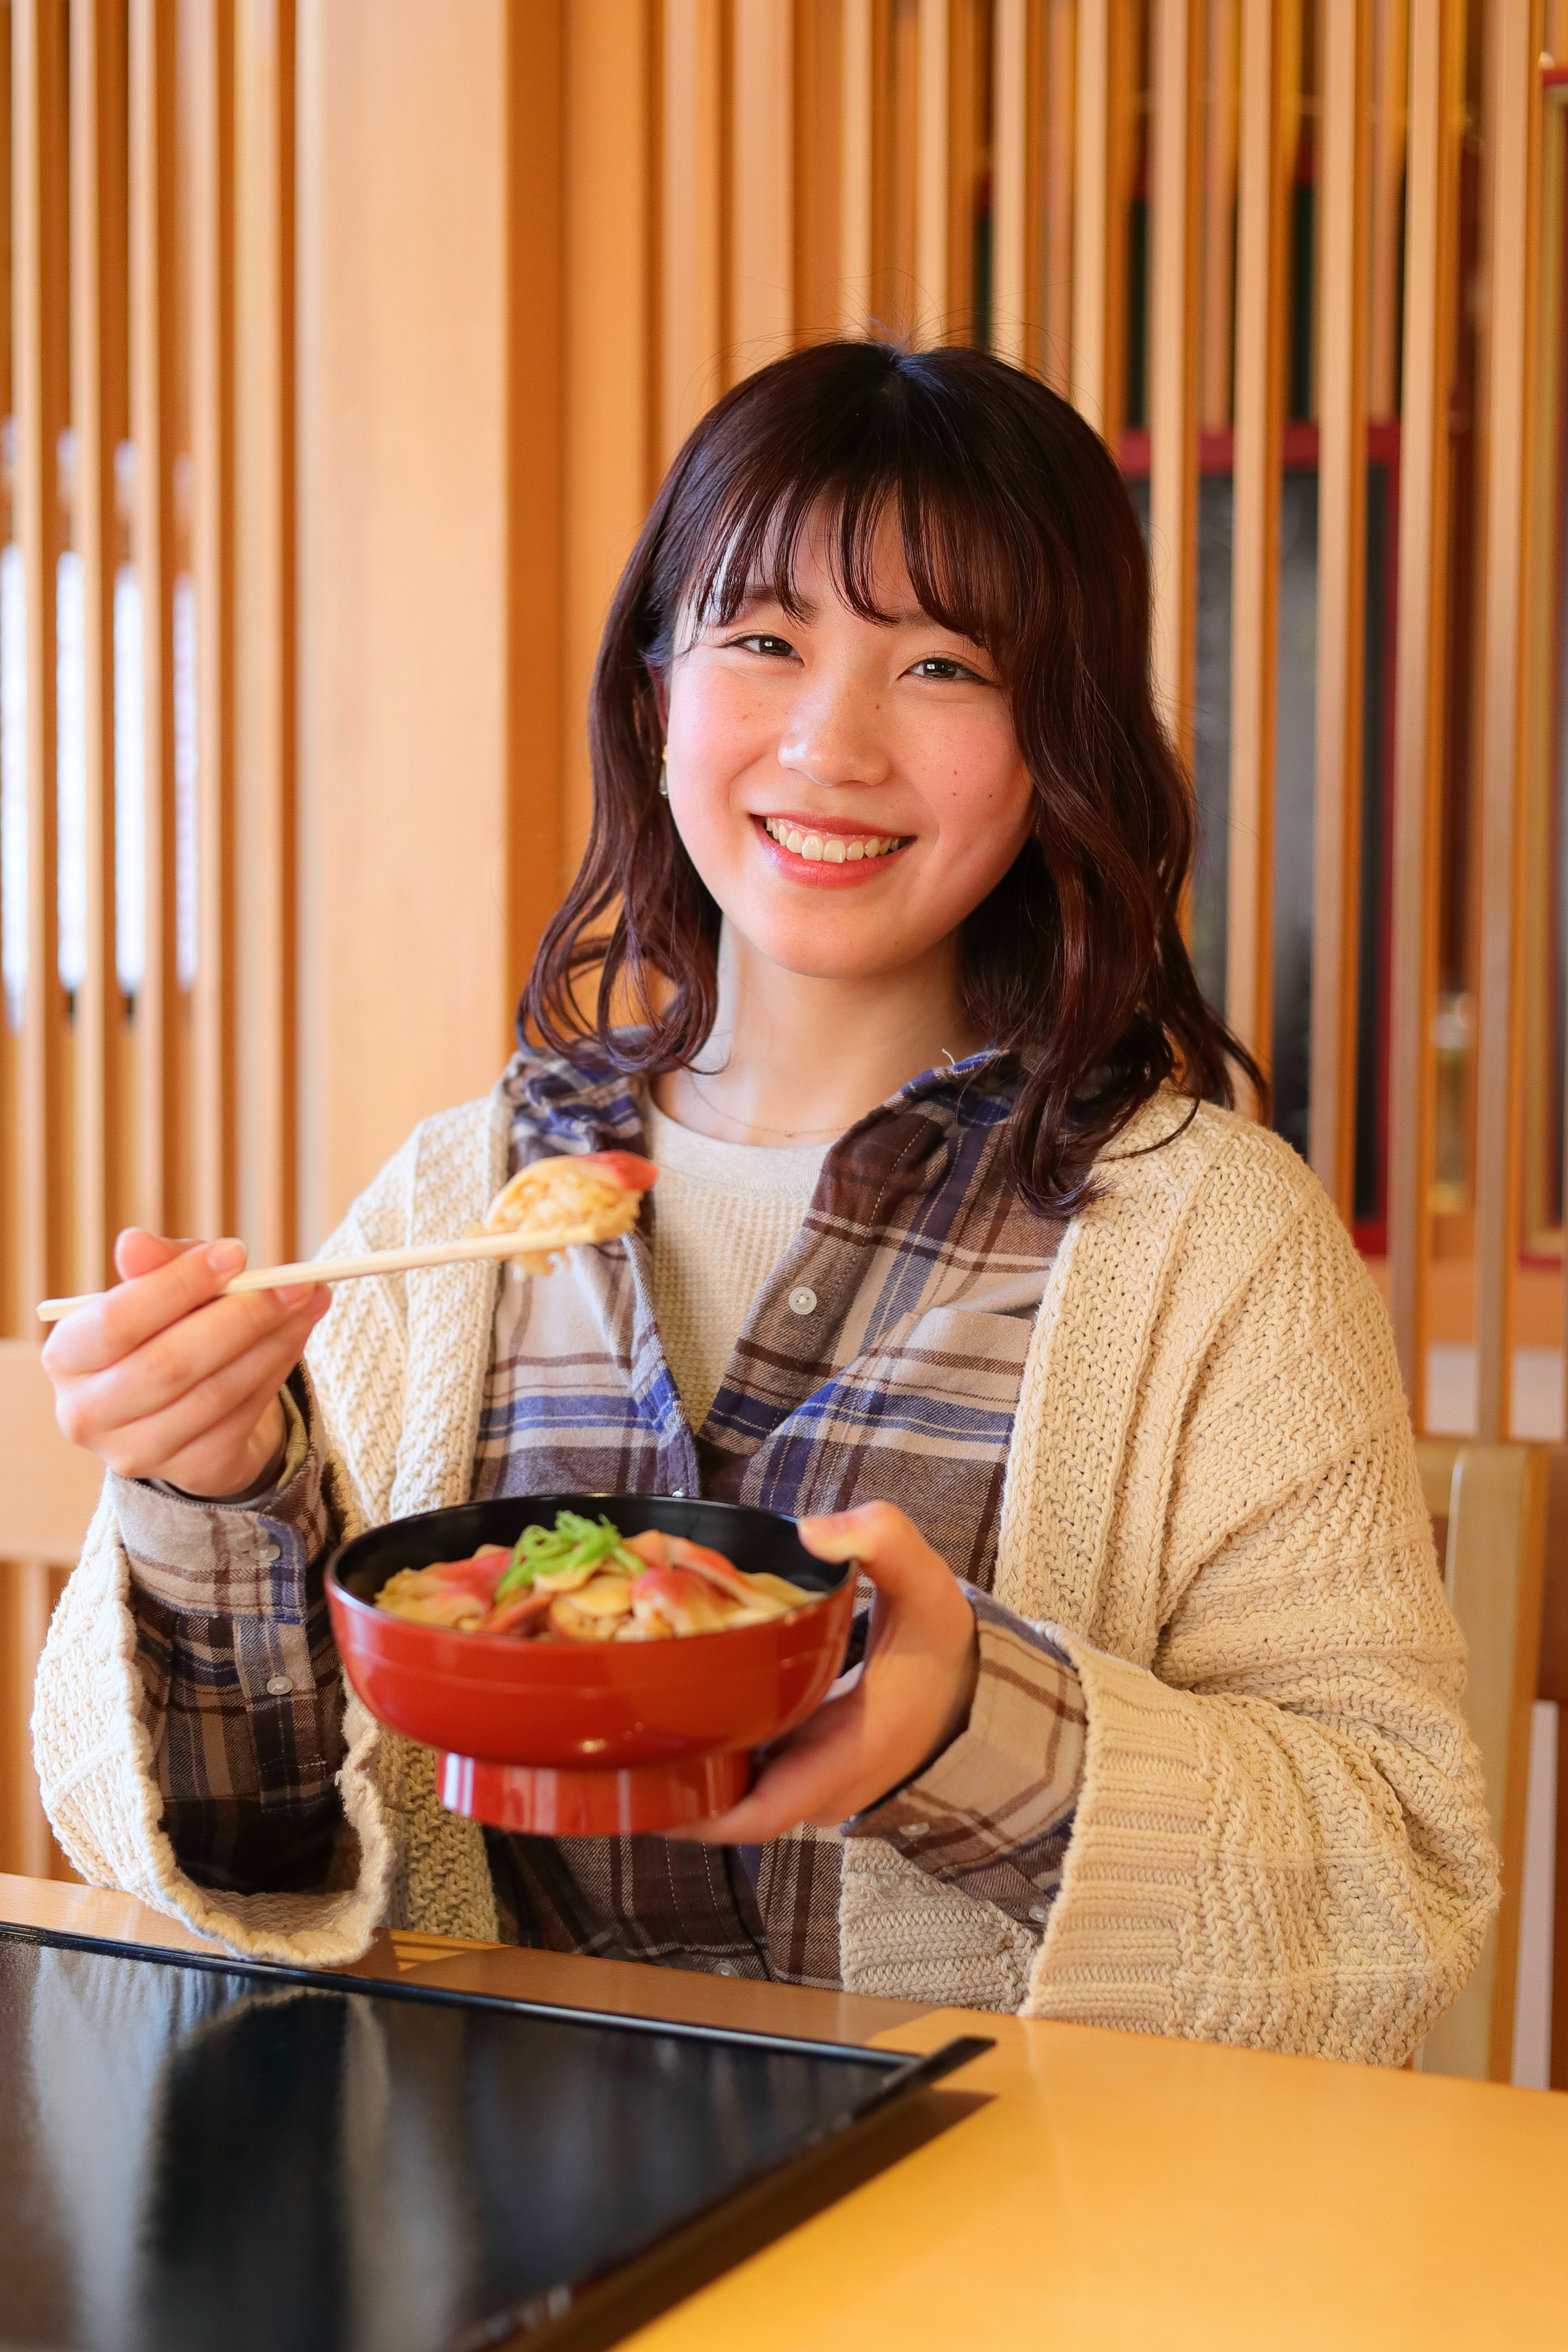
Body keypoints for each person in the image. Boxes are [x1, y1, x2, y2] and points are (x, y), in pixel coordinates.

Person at [34, 341, 1495, 2057]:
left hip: (1001, 2249)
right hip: (480, 2217)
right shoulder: (471, 1189)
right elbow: (179, 1841)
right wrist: (221, 1500)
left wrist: (981, 1726)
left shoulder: (1211, 1237)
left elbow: (1401, 1901)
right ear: (658, 696)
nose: (831, 743)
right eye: (763, 640)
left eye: (944, 664)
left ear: (1056, 746)